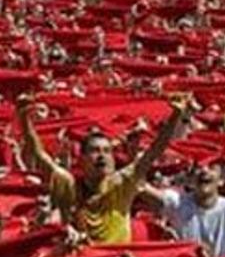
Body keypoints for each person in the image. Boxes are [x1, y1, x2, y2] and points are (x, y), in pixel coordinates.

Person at [19, 97, 188, 245]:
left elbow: (154, 151)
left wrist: (175, 116)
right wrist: (24, 119)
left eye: (107, 151)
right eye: (95, 151)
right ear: (82, 158)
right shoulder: (68, 186)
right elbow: (39, 155)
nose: (102, 156)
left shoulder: (123, 183)